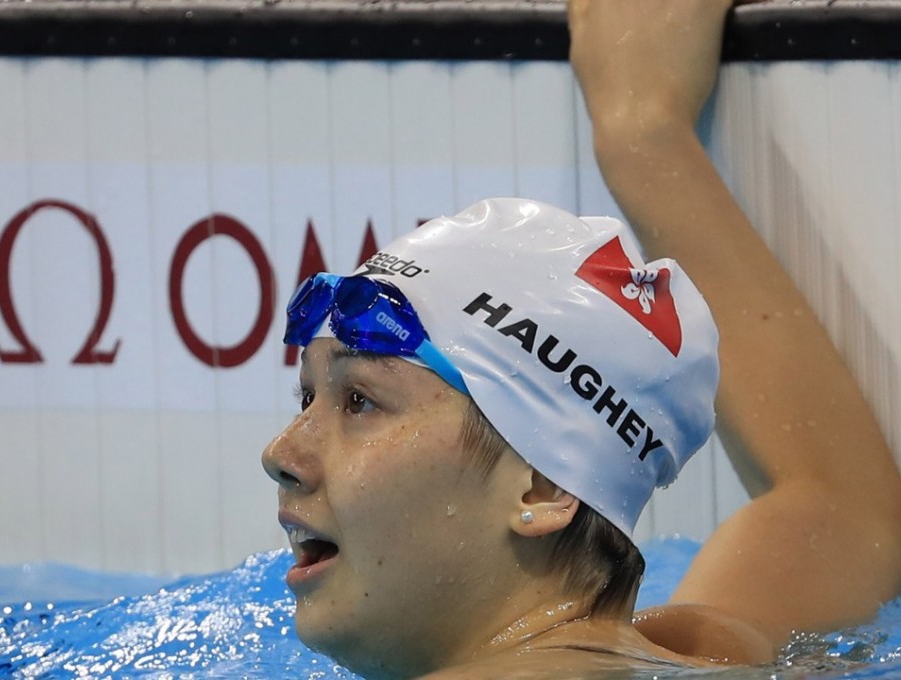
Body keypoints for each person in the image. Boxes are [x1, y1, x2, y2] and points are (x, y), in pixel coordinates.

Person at [261, 0, 901, 678]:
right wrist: (640, 133)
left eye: (360, 401)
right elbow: (840, 509)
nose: (281, 453)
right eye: (308, 397)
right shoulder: (702, 653)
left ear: (540, 487)